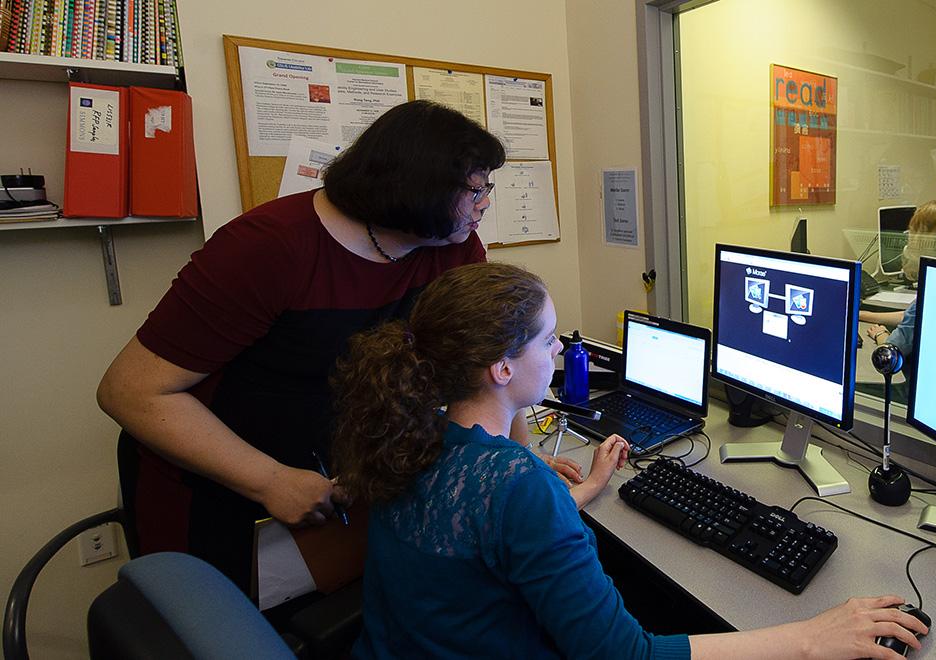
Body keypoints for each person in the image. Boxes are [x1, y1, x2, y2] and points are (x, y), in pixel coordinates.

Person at [96, 100, 582, 591]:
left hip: (339, 479)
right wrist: (267, 479)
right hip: (217, 484)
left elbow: (496, 355)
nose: (485, 204)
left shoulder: (452, 245)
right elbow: (130, 391)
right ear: (418, 187)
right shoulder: (266, 249)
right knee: (219, 630)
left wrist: (521, 463)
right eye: (475, 190)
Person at [331, 262, 929, 659]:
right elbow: (628, 656)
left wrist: (580, 493)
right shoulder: (515, 485)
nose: (563, 349)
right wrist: (813, 637)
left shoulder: (413, 434)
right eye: (549, 339)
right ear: (502, 368)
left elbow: (478, 539)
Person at [862, 201, 936, 356]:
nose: (910, 239)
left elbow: (891, 352)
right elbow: (910, 316)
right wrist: (862, 315)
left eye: (915, 232)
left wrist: (880, 335)